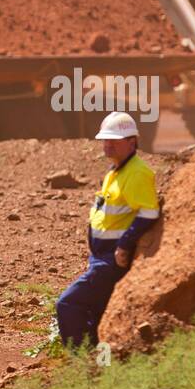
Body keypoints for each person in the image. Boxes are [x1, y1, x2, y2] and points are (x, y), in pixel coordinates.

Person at [55, 111, 160, 348]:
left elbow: (149, 212)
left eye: (114, 140)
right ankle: (94, 362)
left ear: (132, 142)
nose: (107, 145)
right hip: (99, 257)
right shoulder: (115, 171)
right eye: (105, 139)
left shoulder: (137, 172)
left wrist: (125, 244)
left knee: (68, 304)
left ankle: (78, 362)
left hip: (111, 260)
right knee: (96, 312)